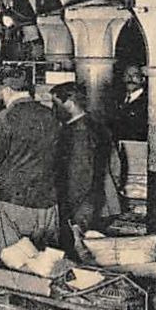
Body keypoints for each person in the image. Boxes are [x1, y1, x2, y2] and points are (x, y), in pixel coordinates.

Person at [0, 69, 61, 262]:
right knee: (45, 263)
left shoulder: (3, 119)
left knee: (11, 264)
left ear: (5, 89)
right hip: (47, 201)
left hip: (12, 202)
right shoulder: (51, 115)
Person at [50, 81, 114, 245]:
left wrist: (72, 215)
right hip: (92, 202)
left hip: (81, 207)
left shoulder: (79, 132)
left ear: (69, 104)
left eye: (55, 104)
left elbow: (79, 176)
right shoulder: (93, 124)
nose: (53, 109)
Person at [112, 64, 148, 141]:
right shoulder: (118, 99)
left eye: (135, 75)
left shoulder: (146, 102)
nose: (130, 78)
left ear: (143, 79)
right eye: (127, 75)